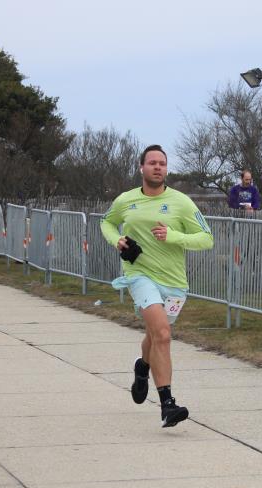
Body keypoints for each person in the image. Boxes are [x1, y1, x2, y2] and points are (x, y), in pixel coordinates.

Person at [100, 144, 213, 427]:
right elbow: (107, 223)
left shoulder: (181, 202)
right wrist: (117, 240)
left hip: (173, 282)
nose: (157, 167)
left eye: (162, 163)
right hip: (139, 275)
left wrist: (174, 236)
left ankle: (143, 367)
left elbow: (206, 238)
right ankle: (167, 405)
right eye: (152, 163)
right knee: (162, 333)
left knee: (155, 335)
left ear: (166, 169)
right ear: (142, 167)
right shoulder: (126, 200)